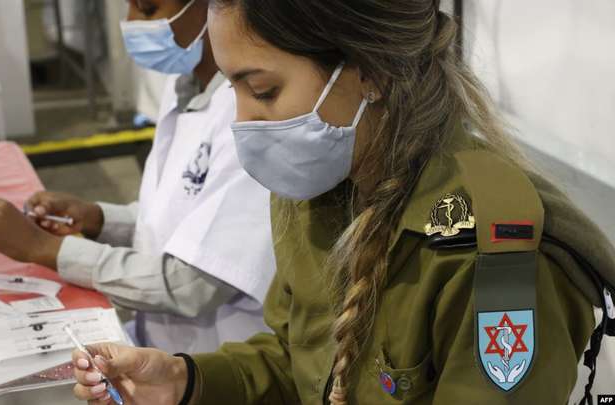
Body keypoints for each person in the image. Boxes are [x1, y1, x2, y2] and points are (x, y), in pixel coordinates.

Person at [68, 0, 615, 404]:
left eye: (263, 91)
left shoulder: (492, 251)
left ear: (368, 72)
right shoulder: (315, 192)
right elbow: (299, 361)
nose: (243, 122)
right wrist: (184, 380)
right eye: (233, 90)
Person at [0, 0, 276, 354]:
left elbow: (190, 285)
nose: (131, 23)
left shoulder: (250, 120)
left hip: (220, 363)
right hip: (163, 347)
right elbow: (176, 212)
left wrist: (45, 248)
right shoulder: (183, 86)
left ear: (212, 7)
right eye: (129, 7)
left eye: (148, 9)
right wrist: (98, 218)